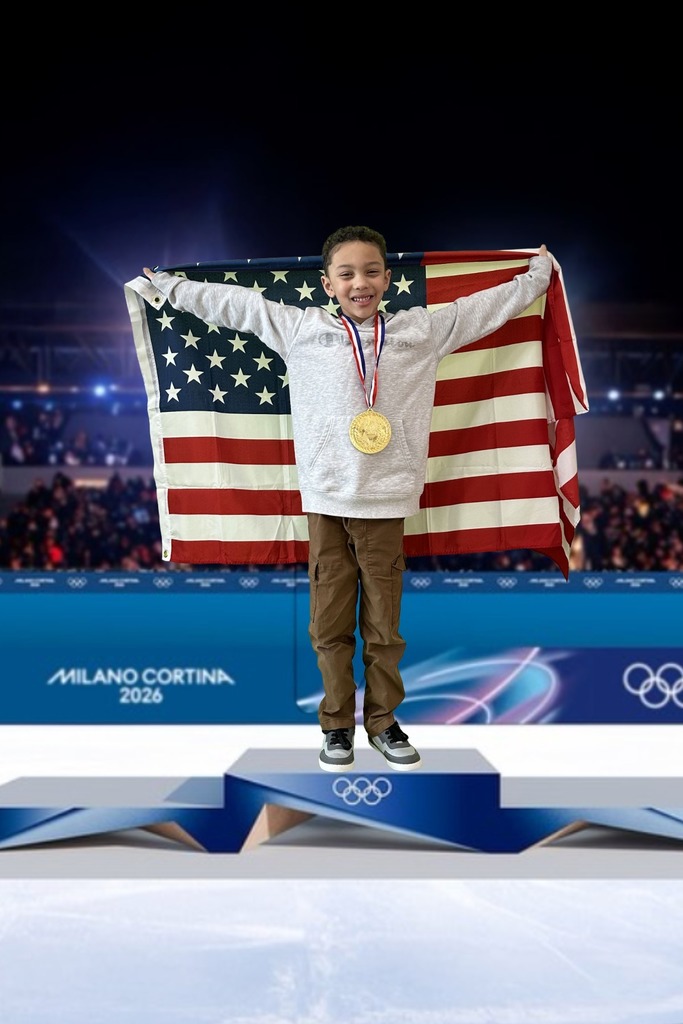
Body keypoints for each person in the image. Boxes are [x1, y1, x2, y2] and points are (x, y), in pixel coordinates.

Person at [142, 226, 553, 773]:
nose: (361, 283)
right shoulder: (300, 328)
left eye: (371, 271)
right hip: (327, 501)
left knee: (384, 629)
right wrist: (171, 288)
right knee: (328, 628)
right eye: (347, 273)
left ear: (388, 278)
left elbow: (485, 308)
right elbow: (234, 305)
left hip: (385, 502)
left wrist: (537, 276)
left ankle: (383, 723)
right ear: (328, 283)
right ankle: (337, 727)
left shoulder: (420, 330)